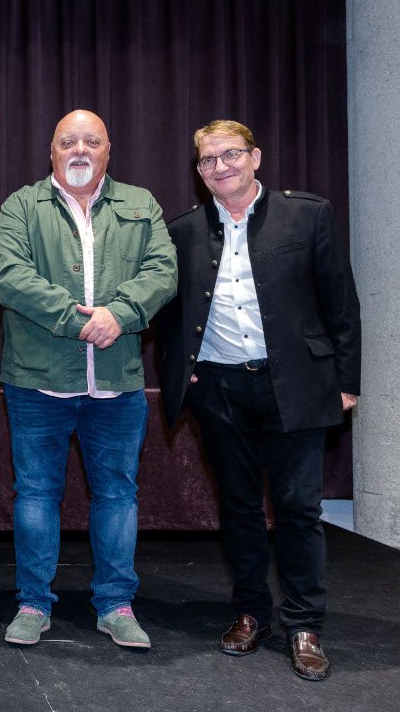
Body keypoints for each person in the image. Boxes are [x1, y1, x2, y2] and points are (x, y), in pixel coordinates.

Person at [156, 120, 360, 681]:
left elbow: (340, 301)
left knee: (298, 509)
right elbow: (170, 321)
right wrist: (185, 380)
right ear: (198, 171)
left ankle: (304, 624)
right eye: (207, 160)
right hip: (219, 389)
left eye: (230, 155)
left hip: (295, 384)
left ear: (256, 158)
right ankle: (250, 613)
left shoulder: (308, 214)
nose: (219, 167)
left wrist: (347, 381)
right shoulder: (183, 232)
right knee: (239, 508)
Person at [0, 109, 177, 649]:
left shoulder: (141, 204)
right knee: (35, 495)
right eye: (67, 141)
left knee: (117, 494)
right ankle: (33, 604)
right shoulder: (21, 206)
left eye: (90, 141)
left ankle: (116, 605)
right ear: (51, 151)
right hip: (38, 382)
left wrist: (120, 314)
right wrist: (83, 321)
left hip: (116, 383)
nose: (79, 150)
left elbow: (162, 271)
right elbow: (11, 278)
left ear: (108, 150)